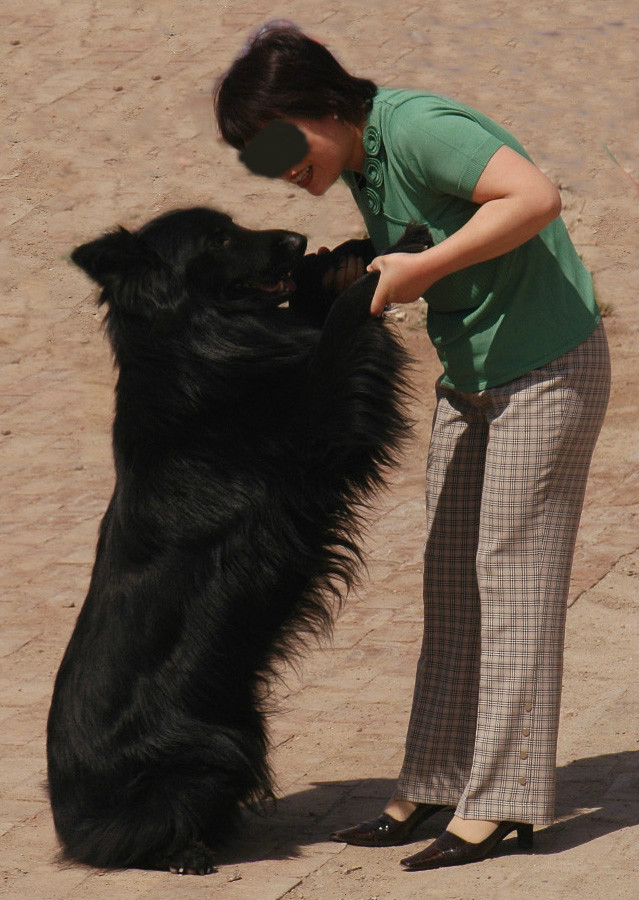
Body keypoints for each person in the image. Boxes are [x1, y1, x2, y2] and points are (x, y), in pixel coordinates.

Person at [214, 22, 610, 871]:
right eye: (257, 156)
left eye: (280, 142)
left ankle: (503, 805)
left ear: (322, 105)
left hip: (548, 370)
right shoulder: (364, 159)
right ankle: (437, 778)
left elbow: (533, 199)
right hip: (474, 379)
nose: (279, 168)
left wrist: (417, 275)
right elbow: (429, 240)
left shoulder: (420, 127)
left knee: (512, 577)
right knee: (449, 575)